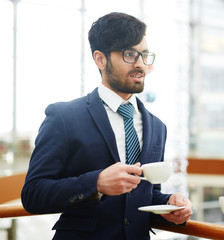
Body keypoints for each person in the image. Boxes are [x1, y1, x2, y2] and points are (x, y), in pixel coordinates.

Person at [21, 12, 192, 240]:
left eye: (144, 55)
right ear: (100, 59)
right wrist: (97, 183)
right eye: (130, 54)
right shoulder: (63, 117)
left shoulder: (157, 126)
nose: (140, 64)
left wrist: (171, 205)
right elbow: (33, 194)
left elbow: (146, 196)